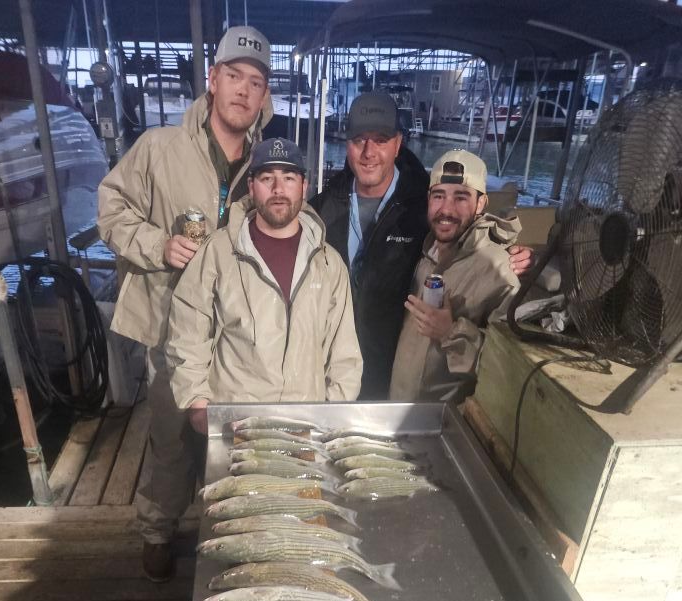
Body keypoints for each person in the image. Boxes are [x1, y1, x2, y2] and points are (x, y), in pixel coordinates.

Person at [97, 26, 272, 582]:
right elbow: (110, 206)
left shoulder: (267, 163)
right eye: (235, 77)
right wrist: (156, 244)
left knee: (233, 437)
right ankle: (158, 527)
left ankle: (227, 531)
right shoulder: (159, 147)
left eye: (257, 83)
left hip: (236, 333)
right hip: (171, 326)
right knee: (169, 435)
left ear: (264, 97)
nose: (244, 91)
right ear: (212, 80)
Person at [309, 93, 532, 400]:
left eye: (381, 139)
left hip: (390, 382)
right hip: (330, 375)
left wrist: (512, 252)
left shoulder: (422, 210)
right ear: (346, 144)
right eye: (359, 139)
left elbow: (470, 235)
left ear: (398, 144)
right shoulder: (320, 209)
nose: (368, 152)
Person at [165, 137, 362, 420]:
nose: (278, 189)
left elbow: (344, 354)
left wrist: (332, 416)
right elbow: (187, 332)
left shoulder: (329, 263)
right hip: (237, 420)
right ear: (251, 187)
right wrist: (197, 403)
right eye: (266, 177)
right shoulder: (219, 252)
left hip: (306, 422)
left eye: (289, 178)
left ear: (304, 187)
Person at [389, 149, 521, 401]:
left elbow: (507, 369)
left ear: (481, 203)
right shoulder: (424, 249)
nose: (446, 209)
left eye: (461, 197)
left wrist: (450, 332)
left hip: (446, 425)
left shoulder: (500, 270)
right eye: (439, 196)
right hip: (398, 413)